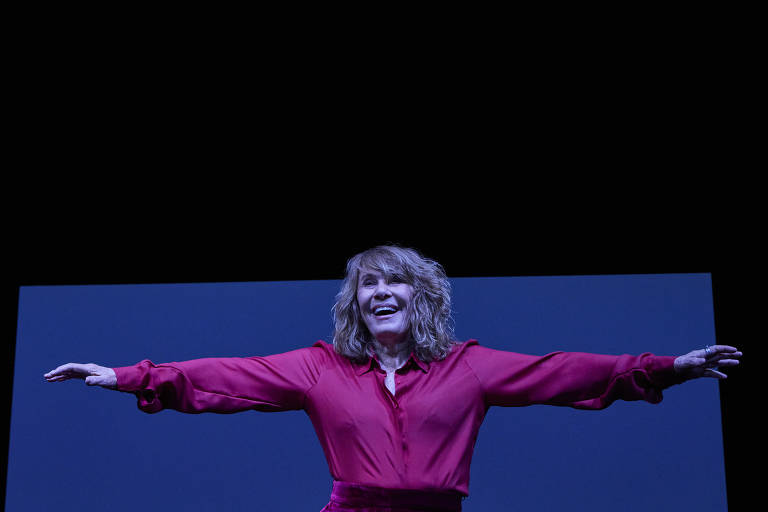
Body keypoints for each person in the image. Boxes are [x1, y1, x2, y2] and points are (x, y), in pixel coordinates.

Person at [44, 245, 742, 512]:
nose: (380, 293)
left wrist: (669, 368)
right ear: (356, 303)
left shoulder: (467, 367)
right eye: (366, 285)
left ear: (419, 299)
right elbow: (226, 377)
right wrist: (122, 376)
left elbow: (562, 372)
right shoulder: (320, 367)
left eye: (394, 284)